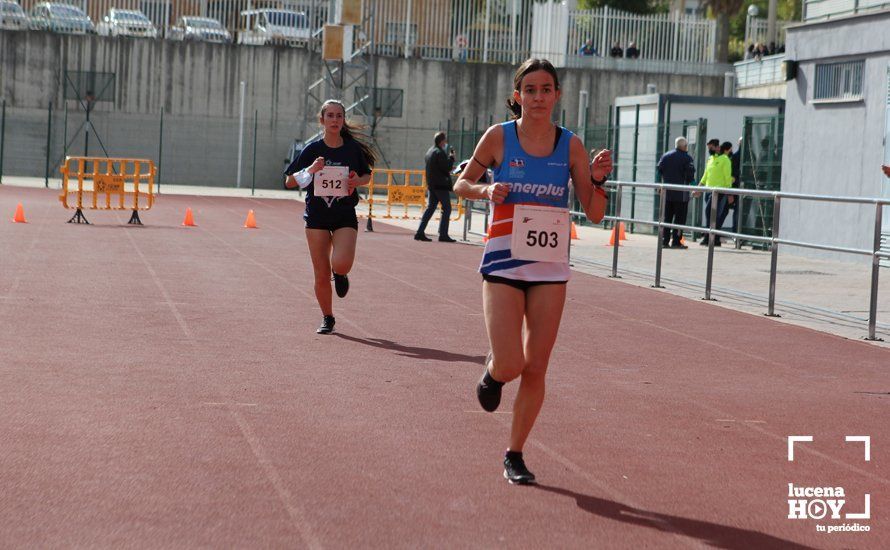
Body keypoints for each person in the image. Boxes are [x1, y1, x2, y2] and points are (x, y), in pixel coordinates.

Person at [453, 58, 611, 485]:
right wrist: (486, 188)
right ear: (517, 94)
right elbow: (460, 185)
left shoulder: (571, 146)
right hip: (503, 262)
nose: (538, 97)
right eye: (531, 89)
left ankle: (515, 453)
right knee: (511, 362)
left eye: (546, 89)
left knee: (537, 367)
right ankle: (493, 373)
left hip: (549, 268)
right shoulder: (499, 138)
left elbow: (594, 213)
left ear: (557, 95)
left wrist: (596, 181)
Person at [284, 100, 376, 334]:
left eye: (339, 116)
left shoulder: (352, 149)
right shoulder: (312, 150)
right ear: (322, 120)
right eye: (330, 116)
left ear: (343, 120)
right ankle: (327, 317)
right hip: (317, 216)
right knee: (321, 272)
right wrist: (311, 170)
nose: (335, 120)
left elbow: (366, 174)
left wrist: (357, 181)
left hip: (344, 213)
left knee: (341, 262)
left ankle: (341, 273)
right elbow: (288, 181)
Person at [415, 132, 457, 242]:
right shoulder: (440, 152)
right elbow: (446, 167)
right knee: (447, 208)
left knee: (430, 208)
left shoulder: (430, 151)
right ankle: (443, 234)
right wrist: (452, 158)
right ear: (442, 141)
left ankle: (419, 232)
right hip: (440, 185)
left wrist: (447, 166)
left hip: (432, 184)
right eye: (445, 140)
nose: (446, 142)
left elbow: (438, 167)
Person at [656, 137, 695, 249]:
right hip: (681, 195)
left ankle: (664, 241)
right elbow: (690, 177)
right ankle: (676, 242)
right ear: (684, 146)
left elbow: (659, 172)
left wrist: (659, 185)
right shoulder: (687, 158)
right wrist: (695, 188)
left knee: (667, 218)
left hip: (667, 194)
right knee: (679, 219)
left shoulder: (665, 156)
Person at [696, 140, 733, 246]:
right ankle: (713, 239)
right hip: (708, 191)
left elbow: (727, 177)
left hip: (719, 192)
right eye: (708, 148)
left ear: (717, 147)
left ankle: (709, 237)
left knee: (710, 213)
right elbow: (705, 175)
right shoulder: (710, 159)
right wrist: (699, 188)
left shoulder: (725, 159)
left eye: (711, 147)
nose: (709, 150)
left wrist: (729, 193)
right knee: (710, 214)